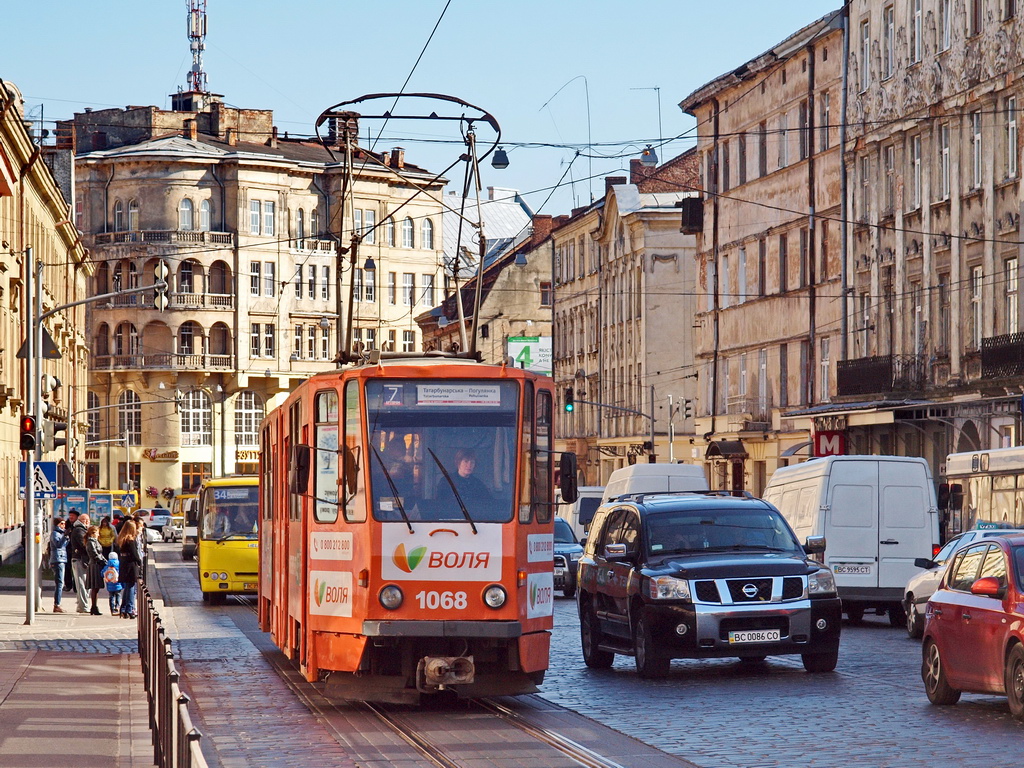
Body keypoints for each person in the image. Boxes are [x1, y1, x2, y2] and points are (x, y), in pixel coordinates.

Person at [116, 521, 142, 619]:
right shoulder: (131, 540)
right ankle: (129, 608)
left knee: (127, 588)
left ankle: (123, 608)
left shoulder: (121, 539)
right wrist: (139, 562)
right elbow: (135, 554)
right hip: (131, 565)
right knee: (131, 587)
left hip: (123, 563)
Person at [68, 512, 91, 613]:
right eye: (86, 521)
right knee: (82, 584)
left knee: (83, 583)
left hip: (80, 559)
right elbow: (84, 545)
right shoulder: (79, 530)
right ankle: (83, 606)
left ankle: (81, 606)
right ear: (83, 521)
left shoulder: (80, 529)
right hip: (79, 559)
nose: (88, 523)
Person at [84, 525, 107, 616]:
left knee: (96, 588)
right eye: (97, 532)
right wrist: (101, 561)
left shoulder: (95, 541)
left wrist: (105, 561)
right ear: (94, 533)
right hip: (94, 565)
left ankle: (94, 606)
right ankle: (94, 607)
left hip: (98, 564)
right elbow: (94, 553)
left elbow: (100, 553)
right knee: (94, 587)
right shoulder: (90, 542)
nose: (99, 534)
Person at [48, 517, 69, 613]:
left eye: (64, 524)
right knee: (59, 583)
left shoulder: (60, 533)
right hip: (57, 560)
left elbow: (64, 545)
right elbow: (58, 545)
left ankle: (57, 604)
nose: (64, 526)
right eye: (62, 524)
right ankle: (57, 604)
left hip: (61, 558)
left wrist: (66, 537)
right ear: (57, 524)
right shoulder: (55, 533)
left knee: (60, 582)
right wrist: (65, 536)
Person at [64, 510, 79, 593]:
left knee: (76, 569)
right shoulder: (67, 524)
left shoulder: (78, 525)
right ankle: (68, 585)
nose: (71, 517)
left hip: (75, 550)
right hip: (68, 549)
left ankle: (76, 586)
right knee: (67, 568)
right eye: (70, 515)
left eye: (72, 516)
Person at [103, 551, 123, 616]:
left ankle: (112, 609)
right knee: (118, 595)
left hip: (110, 584)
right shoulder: (119, 564)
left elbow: (102, 573)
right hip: (118, 584)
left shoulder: (107, 564)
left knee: (111, 596)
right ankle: (117, 606)